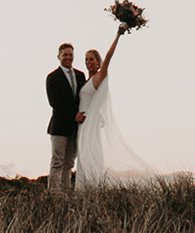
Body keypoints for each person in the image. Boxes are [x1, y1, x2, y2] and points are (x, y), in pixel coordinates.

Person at [75, 27, 163, 186]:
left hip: (89, 123)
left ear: (98, 62)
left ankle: (93, 188)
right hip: (82, 124)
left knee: (91, 156)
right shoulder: (86, 81)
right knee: (82, 158)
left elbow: (109, 56)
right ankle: (82, 192)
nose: (88, 62)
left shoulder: (99, 77)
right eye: (86, 59)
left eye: (91, 59)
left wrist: (118, 35)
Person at [45, 42, 85, 189]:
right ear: (59, 56)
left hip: (75, 128)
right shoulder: (52, 77)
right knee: (57, 161)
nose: (68, 57)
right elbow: (55, 102)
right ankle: (54, 195)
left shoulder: (80, 75)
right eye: (65, 55)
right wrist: (73, 115)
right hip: (59, 126)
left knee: (69, 163)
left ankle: (66, 193)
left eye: (70, 54)